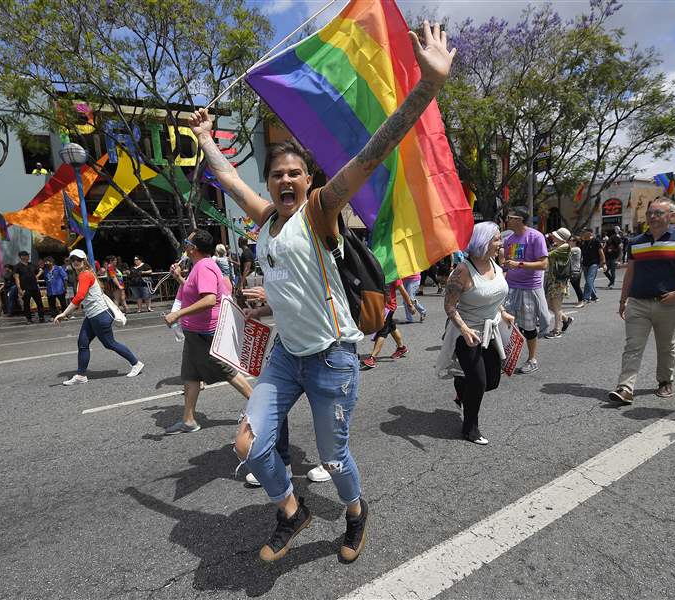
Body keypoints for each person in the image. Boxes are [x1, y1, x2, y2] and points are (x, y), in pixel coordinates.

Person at [188, 20, 455, 564]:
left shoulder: (320, 211)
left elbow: (371, 155)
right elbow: (230, 181)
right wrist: (202, 139)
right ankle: (292, 511)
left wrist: (426, 87)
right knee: (249, 445)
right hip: (287, 355)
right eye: (277, 174)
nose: (285, 180)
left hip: (333, 358)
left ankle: (355, 511)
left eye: (295, 172)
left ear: (308, 179)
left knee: (334, 459)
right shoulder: (265, 222)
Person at [608, 198, 675, 404]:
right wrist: (622, 299)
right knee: (633, 346)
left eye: (658, 213)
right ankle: (625, 387)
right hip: (638, 302)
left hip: (669, 302)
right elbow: (630, 273)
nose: (653, 217)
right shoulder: (636, 242)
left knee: (666, 346)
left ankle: (665, 381)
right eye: (650, 213)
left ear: (671, 216)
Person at [162, 229, 253, 434]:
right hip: (195, 332)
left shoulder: (204, 267)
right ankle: (188, 420)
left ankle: (260, 408)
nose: (184, 245)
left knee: (227, 371)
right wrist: (178, 278)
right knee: (191, 375)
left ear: (193, 248)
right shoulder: (199, 266)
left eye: (187, 242)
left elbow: (209, 299)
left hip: (205, 332)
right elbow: (196, 294)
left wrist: (177, 315)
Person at [241, 287, 332, 487]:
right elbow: (283, 306)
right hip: (286, 348)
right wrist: (258, 312)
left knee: (325, 410)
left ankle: (331, 462)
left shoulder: (316, 258)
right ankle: (282, 462)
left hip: (321, 347)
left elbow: (314, 300)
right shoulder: (277, 262)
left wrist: (273, 296)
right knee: (273, 404)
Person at [438, 221, 513, 444]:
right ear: (484, 242)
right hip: (467, 333)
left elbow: (492, 294)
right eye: (497, 239)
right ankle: (470, 428)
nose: (501, 243)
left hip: (492, 330)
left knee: (492, 381)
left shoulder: (495, 263)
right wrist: (464, 329)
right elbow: (449, 306)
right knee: (479, 381)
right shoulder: (462, 270)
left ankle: (462, 387)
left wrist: (504, 312)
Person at [54, 249, 144, 385]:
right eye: (72, 260)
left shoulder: (85, 275)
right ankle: (81, 375)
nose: (75, 262)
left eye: (78, 259)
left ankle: (136, 363)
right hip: (92, 315)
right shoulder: (85, 274)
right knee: (82, 343)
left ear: (84, 261)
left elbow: (80, 296)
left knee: (109, 343)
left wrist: (64, 313)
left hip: (99, 315)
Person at [500, 205, 551, 374]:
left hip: (529, 288)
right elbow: (508, 265)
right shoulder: (510, 240)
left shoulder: (535, 236)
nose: (507, 220)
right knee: (506, 324)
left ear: (519, 219)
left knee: (528, 327)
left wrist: (519, 264)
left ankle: (532, 359)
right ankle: (507, 357)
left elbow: (544, 264)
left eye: (510, 217)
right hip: (511, 287)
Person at [360, 278, 415, 370]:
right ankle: (401, 348)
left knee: (382, 331)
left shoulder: (393, 274)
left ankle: (372, 358)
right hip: (379, 305)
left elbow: (402, 290)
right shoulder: (378, 270)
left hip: (388, 307)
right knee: (391, 326)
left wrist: (410, 305)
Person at [543, 228, 574, 339]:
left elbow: (547, 255)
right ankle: (566, 319)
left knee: (556, 307)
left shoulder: (564, 247)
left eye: (555, 235)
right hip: (554, 281)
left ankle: (556, 330)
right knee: (549, 304)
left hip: (559, 282)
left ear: (560, 237)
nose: (553, 236)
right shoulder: (559, 246)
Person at [14, 251, 45, 323]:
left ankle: (41, 317)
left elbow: (41, 270)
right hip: (25, 288)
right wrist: (19, 288)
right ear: (22, 257)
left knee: (39, 302)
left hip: (34, 287)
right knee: (26, 304)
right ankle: (29, 319)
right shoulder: (17, 266)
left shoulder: (32, 265)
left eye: (28, 255)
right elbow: (16, 277)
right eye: (26, 255)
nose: (28, 257)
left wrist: (36, 276)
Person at [579, 229, 605, 302]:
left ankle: (586, 297)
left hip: (594, 263)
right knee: (588, 281)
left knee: (589, 280)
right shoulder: (583, 242)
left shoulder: (596, 241)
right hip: (585, 264)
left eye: (584, 232)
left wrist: (603, 263)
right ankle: (594, 296)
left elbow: (601, 253)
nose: (583, 234)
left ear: (589, 233)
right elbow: (581, 254)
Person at [568, 237, 585, 308]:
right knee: (576, 286)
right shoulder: (573, 249)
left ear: (575, 242)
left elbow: (565, 251)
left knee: (576, 287)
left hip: (575, 271)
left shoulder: (576, 249)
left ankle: (581, 301)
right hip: (573, 270)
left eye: (571, 240)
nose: (569, 241)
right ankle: (581, 300)